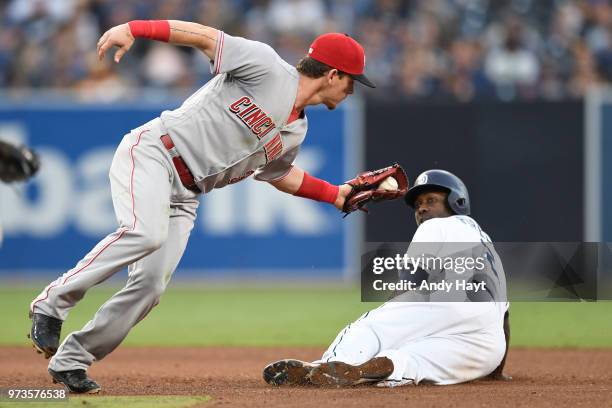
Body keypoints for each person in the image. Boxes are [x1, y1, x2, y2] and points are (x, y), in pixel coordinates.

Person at [28, 19, 375, 394]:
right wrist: (134, 28)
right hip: (155, 153)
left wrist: (336, 194)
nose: (353, 91)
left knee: (149, 288)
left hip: (186, 192)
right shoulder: (266, 66)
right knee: (144, 232)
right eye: (353, 81)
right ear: (334, 74)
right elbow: (203, 37)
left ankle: (72, 359)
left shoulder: (297, 131)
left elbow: (279, 175)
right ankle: (51, 304)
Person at [263, 169, 511, 387]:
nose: (422, 208)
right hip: (488, 343)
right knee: (414, 359)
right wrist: (496, 371)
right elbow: (505, 319)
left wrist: (392, 313)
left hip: (448, 300)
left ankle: (330, 364)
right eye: (418, 205)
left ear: (456, 202)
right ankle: (364, 372)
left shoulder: (436, 226)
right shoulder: (487, 245)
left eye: (431, 200)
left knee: (371, 327)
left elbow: (411, 280)